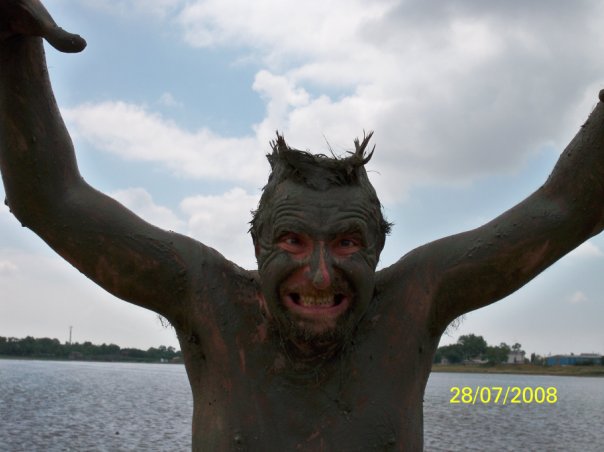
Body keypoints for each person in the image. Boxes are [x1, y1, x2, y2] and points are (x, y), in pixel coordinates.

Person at [1, 1, 603, 450]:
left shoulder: (415, 302)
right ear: (257, 244)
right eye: (292, 241)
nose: (318, 275)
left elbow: (567, 208)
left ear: (378, 249)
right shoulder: (207, 299)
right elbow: (52, 201)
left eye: (346, 243)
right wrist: (12, 47)